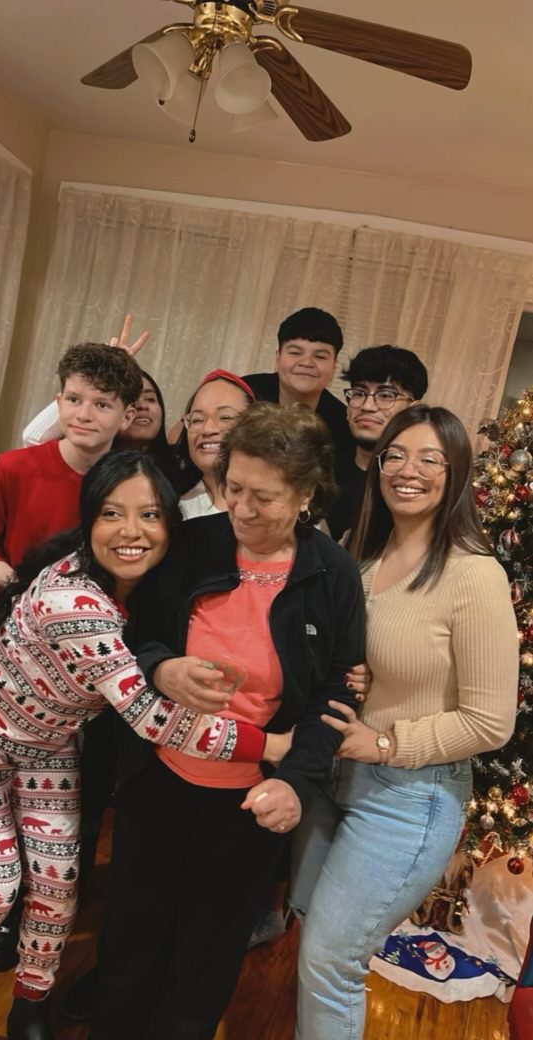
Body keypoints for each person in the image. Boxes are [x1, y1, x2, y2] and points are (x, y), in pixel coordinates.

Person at [0, 451, 283, 1040]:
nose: (132, 531)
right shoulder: (74, 601)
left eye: (150, 514)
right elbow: (154, 720)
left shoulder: (152, 585)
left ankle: (30, 1002)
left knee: (56, 882)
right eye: (112, 514)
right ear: (89, 520)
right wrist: (273, 745)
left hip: (45, 743)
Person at [87, 402, 366, 1040]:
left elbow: (333, 692)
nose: (240, 508)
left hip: (249, 797)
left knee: (207, 954)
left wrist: (296, 781)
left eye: (262, 497)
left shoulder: (331, 574)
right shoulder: (195, 542)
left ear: (304, 496)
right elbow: (138, 633)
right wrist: (162, 669)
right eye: (231, 487)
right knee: (131, 933)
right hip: (159, 776)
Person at [294, 404, 519, 1040]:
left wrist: (390, 741)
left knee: (330, 960)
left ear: (457, 474)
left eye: (429, 459)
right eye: (395, 454)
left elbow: (490, 721)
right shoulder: (361, 557)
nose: (407, 470)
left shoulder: (473, 575)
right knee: (313, 938)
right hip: (331, 781)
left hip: (408, 799)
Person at [0, 342, 143, 616]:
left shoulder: (133, 485)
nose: (83, 415)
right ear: (58, 402)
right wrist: (18, 585)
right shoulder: (14, 468)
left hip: (91, 621)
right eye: (73, 400)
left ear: (127, 416)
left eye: (102, 405)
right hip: (11, 615)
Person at [327, 345, 428, 540]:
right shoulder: (321, 471)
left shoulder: (413, 485)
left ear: (413, 409)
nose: (367, 406)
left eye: (386, 396)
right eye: (359, 393)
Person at [242, 307, 351, 462]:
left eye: (320, 356)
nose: (307, 363)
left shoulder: (343, 425)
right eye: (295, 353)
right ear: (278, 358)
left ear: (334, 366)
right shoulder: (243, 394)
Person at [174, 369, 256, 517]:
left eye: (225, 417)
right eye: (197, 420)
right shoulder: (176, 510)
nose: (207, 429)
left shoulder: (280, 503)